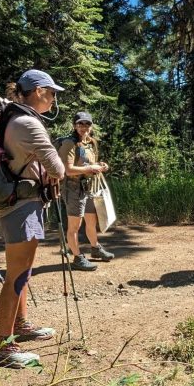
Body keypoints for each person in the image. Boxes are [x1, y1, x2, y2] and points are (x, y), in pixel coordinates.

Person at [0, 69, 67, 368]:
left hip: (19, 202)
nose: (54, 98)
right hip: (21, 206)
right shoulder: (27, 123)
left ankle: (21, 325)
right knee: (16, 274)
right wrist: (50, 168)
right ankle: (4, 347)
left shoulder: (13, 119)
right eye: (52, 93)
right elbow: (58, 169)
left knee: (23, 271)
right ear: (38, 91)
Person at [58, 111, 114, 272]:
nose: (84, 127)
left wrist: (100, 165)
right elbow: (68, 170)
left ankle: (95, 248)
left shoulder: (90, 142)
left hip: (89, 187)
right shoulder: (69, 144)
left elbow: (89, 162)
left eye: (87, 124)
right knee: (74, 226)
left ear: (91, 126)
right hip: (73, 189)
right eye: (80, 124)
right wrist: (90, 168)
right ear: (74, 126)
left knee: (91, 220)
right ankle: (77, 258)